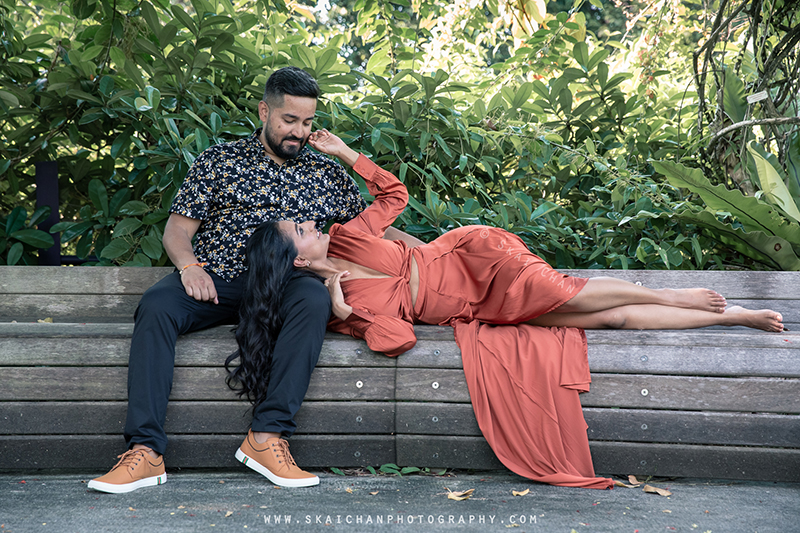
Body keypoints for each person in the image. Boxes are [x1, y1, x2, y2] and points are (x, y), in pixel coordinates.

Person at [239, 129, 785, 489]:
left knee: (568, 291)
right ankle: (731, 316)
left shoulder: (348, 234)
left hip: (475, 257)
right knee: (605, 318)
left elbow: (395, 196)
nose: (310, 223)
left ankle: (671, 294)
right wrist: (346, 309)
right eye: (300, 229)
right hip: (476, 307)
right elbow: (398, 339)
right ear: (296, 260)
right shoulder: (338, 306)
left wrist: (345, 153)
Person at [88, 67, 421, 494]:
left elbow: (375, 230)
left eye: (307, 122)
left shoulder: (325, 173)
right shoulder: (220, 161)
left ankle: (267, 436)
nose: (299, 132)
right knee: (157, 305)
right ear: (265, 111)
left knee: (314, 300)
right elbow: (177, 230)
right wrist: (190, 267)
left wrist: (431, 256)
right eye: (289, 120)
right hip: (217, 277)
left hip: (286, 283)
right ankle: (145, 451)